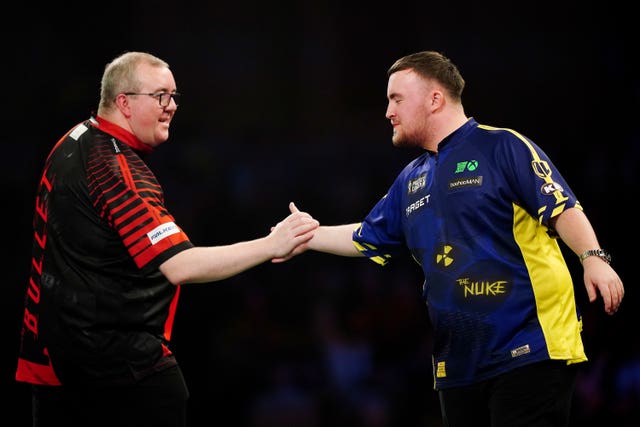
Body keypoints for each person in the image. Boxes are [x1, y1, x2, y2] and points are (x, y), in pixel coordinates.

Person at [279, 50, 625, 427]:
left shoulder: (502, 146)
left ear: (434, 99)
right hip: (458, 365)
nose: (387, 112)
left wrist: (593, 257)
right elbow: (367, 236)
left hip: (531, 349)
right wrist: (305, 236)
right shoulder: (410, 178)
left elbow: (561, 205)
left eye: (396, 99)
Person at [15, 51, 319, 427]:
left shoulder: (72, 140)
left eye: (174, 96)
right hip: (117, 377)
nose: (172, 106)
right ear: (124, 102)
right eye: (160, 96)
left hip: (56, 368)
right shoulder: (115, 169)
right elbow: (181, 266)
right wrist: (273, 244)